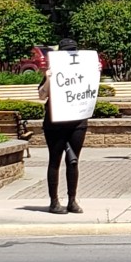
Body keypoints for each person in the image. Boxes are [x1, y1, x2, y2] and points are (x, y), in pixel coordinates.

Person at [38, 38, 88, 214]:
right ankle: (54, 201)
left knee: (73, 162)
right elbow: (41, 96)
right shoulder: (51, 71)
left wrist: (94, 72)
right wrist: (49, 78)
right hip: (55, 123)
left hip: (77, 122)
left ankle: (72, 200)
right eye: (67, 52)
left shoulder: (84, 69)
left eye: (72, 51)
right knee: (55, 160)